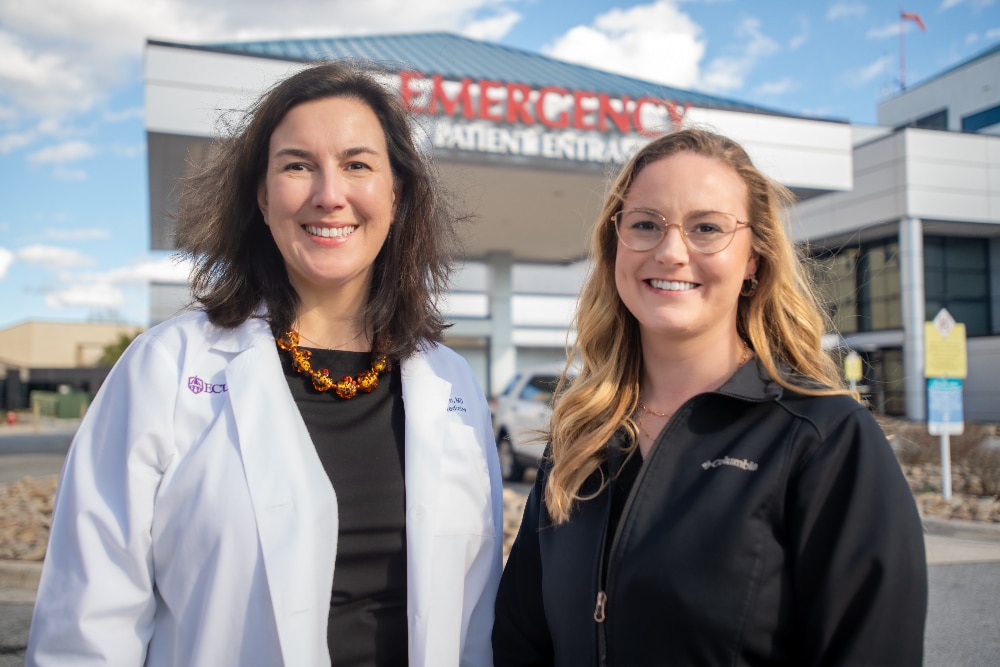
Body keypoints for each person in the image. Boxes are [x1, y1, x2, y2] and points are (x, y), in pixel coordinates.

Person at [27, 61, 502, 667]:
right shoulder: (164, 370)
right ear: (262, 194)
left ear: (396, 193)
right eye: (298, 165)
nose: (330, 194)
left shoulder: (450, 384)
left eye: (357, 165)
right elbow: (87, 628)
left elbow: (477, 617)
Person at [492, 128, 927, 666]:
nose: (672, 252)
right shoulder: (581, 436)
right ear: (614, 246)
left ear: (754, 260)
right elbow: (520, 642)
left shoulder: (824, 439)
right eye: (646, 224)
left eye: (706, 228)